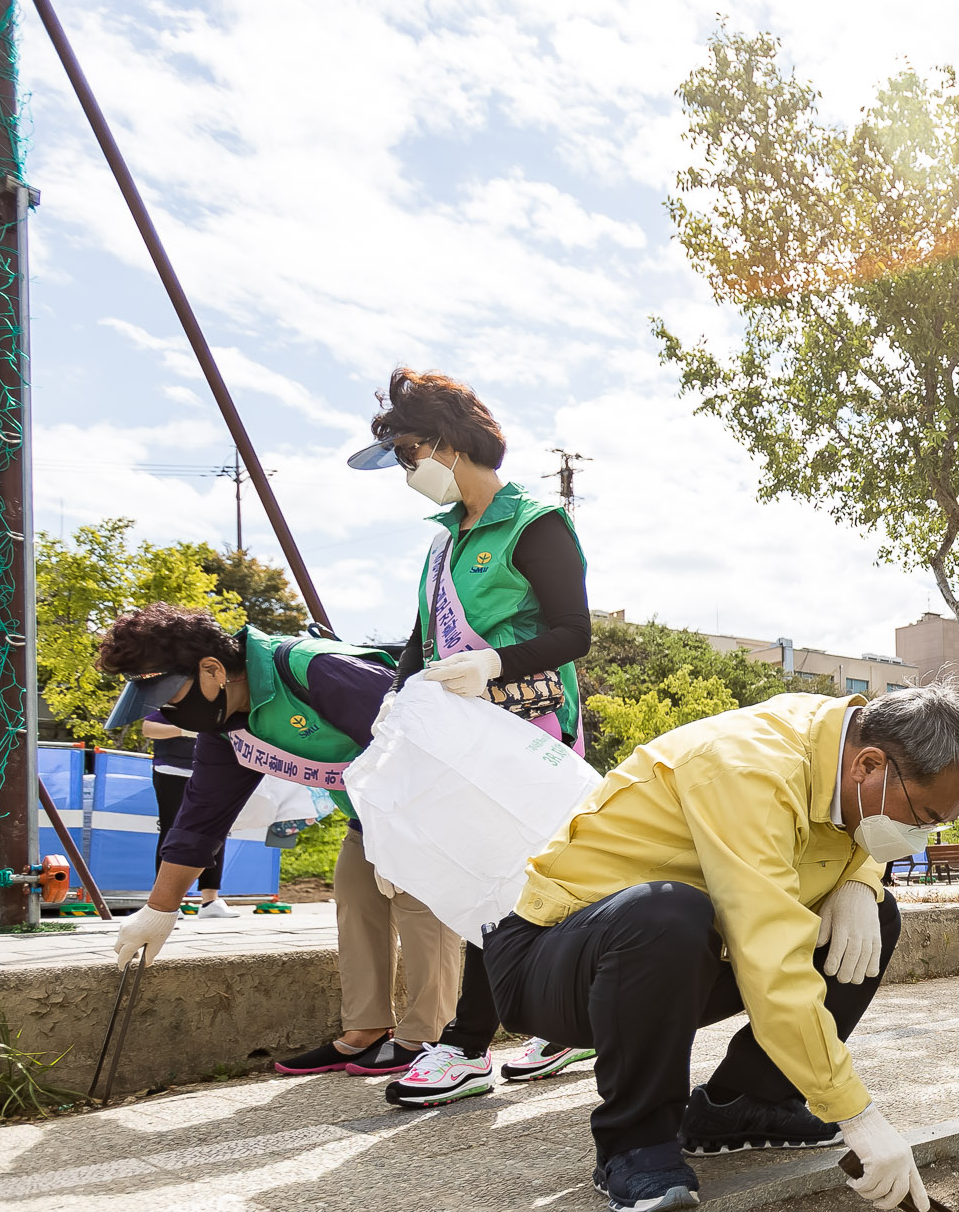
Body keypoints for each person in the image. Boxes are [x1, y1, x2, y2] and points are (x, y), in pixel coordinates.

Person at [482, 685, 959, 1212]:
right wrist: (858, 1116)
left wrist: (861, 881)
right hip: (558, 962)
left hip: (680, 962)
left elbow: (831, 854)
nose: (921, 835)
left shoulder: (844, 756)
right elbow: (770, 959)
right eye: (923, 816)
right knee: (667, 912)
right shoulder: (749, 767)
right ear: (868, 765)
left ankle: (746, 1103)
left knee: (873, 916)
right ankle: (635, 1141)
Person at [96, 606, 497, 1096]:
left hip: (429, 805)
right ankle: (366, 1030)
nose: (167, 714)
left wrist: (406, 835)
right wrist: (159, 911)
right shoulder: (229, 726)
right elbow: (201, 820)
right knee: (354, 895)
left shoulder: (316, 671)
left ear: (212, 670)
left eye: (169, 697)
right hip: (367, 817)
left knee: (419, 909)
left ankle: (428, 1038)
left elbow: (424, 742)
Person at [345, 369, 596, 1102]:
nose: (405, 472)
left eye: (408, 453)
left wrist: (493, 661)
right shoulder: (440, 545)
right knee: (476, 877)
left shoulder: (536, 522)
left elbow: (571, 632)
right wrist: (390, 719)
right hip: (457, 739)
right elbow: (418, 648)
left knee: (522, 881)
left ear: (450, 446)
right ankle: (528, 1032)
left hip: (528, 733)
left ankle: (470, 1044)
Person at [141, 716, 233, 918]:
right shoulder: (174, 696)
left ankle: (211, 900)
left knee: (216, 830)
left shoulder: (221, 699)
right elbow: (148, 728)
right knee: (172, 830)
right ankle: (167, 901)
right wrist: (183, 730)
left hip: (210, 770)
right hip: (171, 770)